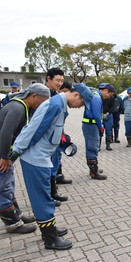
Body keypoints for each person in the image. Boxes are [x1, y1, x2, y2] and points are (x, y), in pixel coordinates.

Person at [11, 83, 93, 250]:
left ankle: (49, 229)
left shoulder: (60, 106)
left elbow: (50, 133)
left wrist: (64, 142)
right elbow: (34, 130)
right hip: (35, 158)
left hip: (42, 157)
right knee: (42, 198)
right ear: (76, 95)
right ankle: (50, 239)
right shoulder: (55, 105)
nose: (80, 107)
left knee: (45, 196)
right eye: (82, 103)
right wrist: (15, 152)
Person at [0, 84, 50, 234]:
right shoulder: (18, 109)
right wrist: (4, 157)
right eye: (42, 101)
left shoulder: (19, 106)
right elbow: (5, 133)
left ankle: (17, 214)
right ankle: (13, 224)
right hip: (2, 155)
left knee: (8, 183)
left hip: (5, 153)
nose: (42, 106)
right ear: (34, 96)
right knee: (3, 187)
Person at [45, 68, 69, 205]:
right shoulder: (42, 94)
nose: (60, 83)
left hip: (55, 138)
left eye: (61, 80)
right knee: (45, 169)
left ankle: (53, 193)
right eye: (57, 80)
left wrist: (62, 133)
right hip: (45, 139)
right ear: (48, 78)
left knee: (53, 165)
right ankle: (48, 197)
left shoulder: (55, 94)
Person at [82, 83, 115, 180]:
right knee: (93, 147)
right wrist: (101, 126)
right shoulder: (96, 98)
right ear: (105, 90)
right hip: (91, 125)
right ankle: (94, 173)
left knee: (91, 147)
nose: (108, 96)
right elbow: (97, 114)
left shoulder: (95, 96)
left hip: (90, 125)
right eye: (109, 94)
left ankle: (93, 169)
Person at [54, 81, 73, 185]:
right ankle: (53, 183)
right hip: (53, 136)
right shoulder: (55, 101)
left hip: (60, 132)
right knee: (55, 155)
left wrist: (62, 133)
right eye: (64, 91)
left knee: (58, 154)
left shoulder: (63, 102)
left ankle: (59, 176)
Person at [101, 84, 115, 151]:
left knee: (109, 130)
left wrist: (107, 113)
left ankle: (108, 145)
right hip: (101, 115)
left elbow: (112, 107)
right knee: (100, 130)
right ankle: (98, 146)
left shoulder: (112, 98)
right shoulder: (100, 97)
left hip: (109, 115)